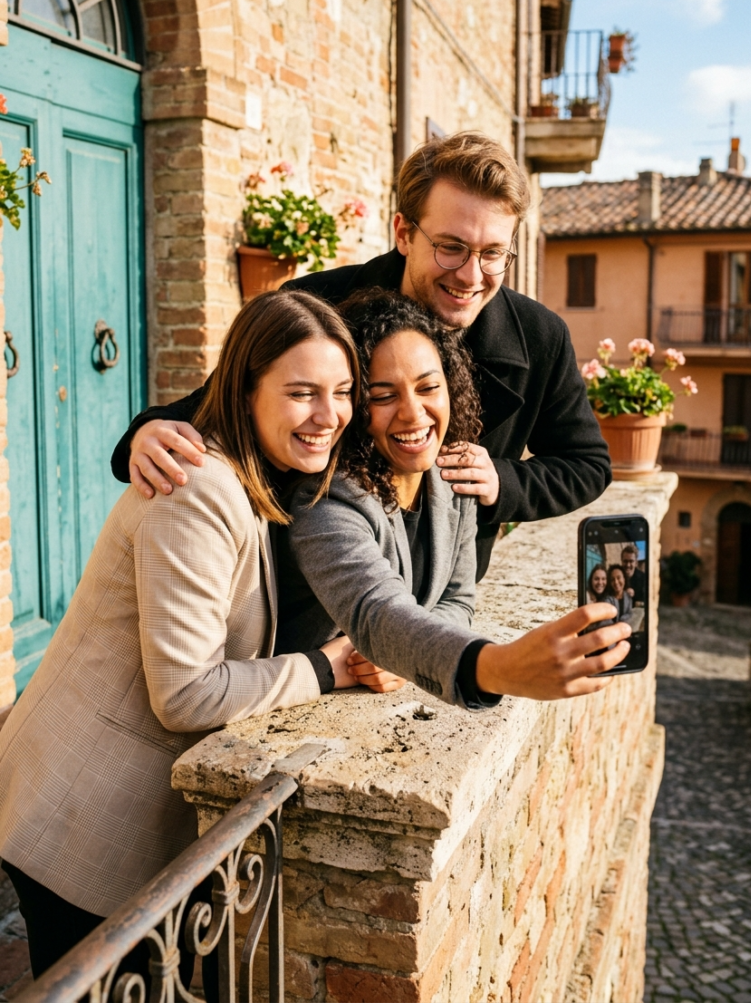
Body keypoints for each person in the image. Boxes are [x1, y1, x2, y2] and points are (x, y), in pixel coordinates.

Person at [0, 291, 375, 984]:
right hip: (79, 812)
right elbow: (186, 691)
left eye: (343, 391)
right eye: (301, 392)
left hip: (107, 808)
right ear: (245, 387)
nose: (329, 415)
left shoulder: (255, 471)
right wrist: (327, 668)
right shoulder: (196, 486)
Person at [110, 132, 611, 582]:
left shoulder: (542, 336)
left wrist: (503, 480)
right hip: (306, 596)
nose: (471, 275)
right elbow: (221, 406)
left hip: (441, 593)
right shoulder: (314, 304)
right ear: (403, 232)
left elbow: (587, 465)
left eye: (493, 253)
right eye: (451, 247)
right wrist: (147, 433)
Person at [280, 289, 631, 708]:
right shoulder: (326, 502)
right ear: (354, 403)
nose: (414, 414)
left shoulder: (450, 475)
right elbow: (378, 614)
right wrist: (501, 667)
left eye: (429, 387)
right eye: (383, 396)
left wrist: (402, 655)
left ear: (453, 386)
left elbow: (458, 600)